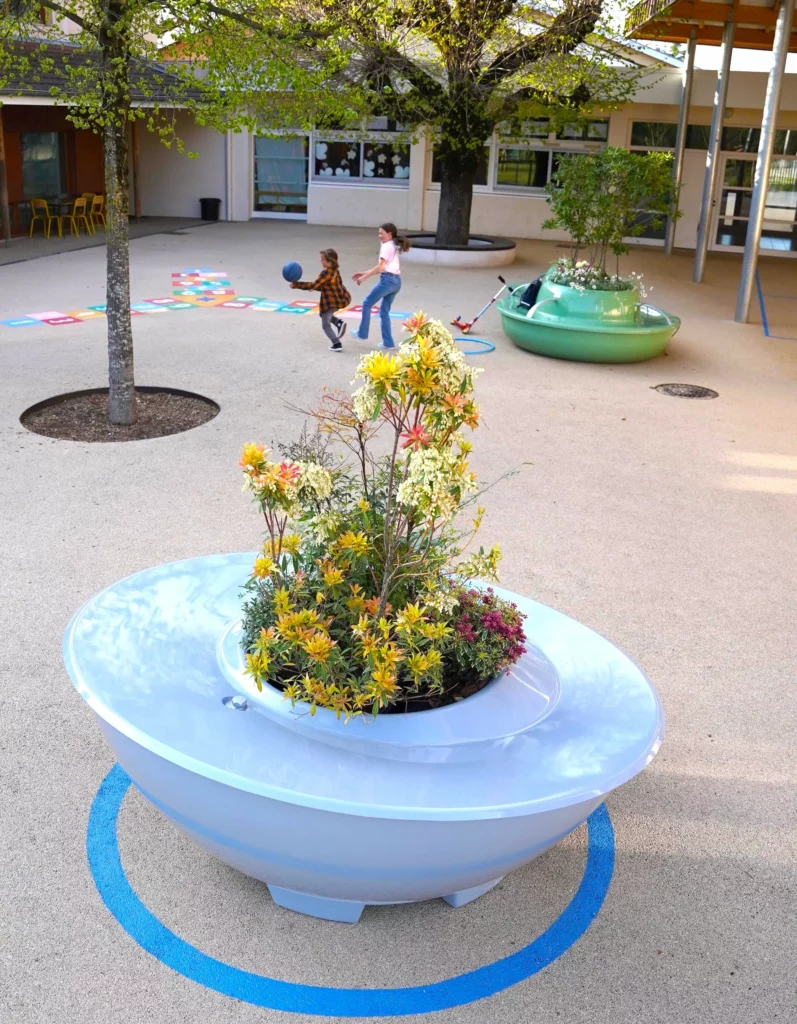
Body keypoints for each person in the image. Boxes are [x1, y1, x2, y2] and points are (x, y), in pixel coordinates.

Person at [351, 222, 410, 349]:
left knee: (367, 303)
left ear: (390, 234)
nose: (379, 236)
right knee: (384, 312)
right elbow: (384, 268)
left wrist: (364, 278)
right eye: (379, 233)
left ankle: (362, 333)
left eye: (381, 233)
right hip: (396, 282)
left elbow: (381, 267)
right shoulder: (393, 244)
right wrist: (363, 272)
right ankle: (388, 343)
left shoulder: (386, 246)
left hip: (388, 281)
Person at [291, 249, 351, 351]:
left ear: (330, 261)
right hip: (339, 299)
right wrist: (312, 287)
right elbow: (323, 287)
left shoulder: (326, 273)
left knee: (325, 325)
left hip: (330, 302)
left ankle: (336, 344)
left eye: (323, 260)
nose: (321, 262)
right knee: (324, 315)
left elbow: (313, 285)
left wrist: (296, 285)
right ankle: (339, 323)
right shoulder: (335, 271)